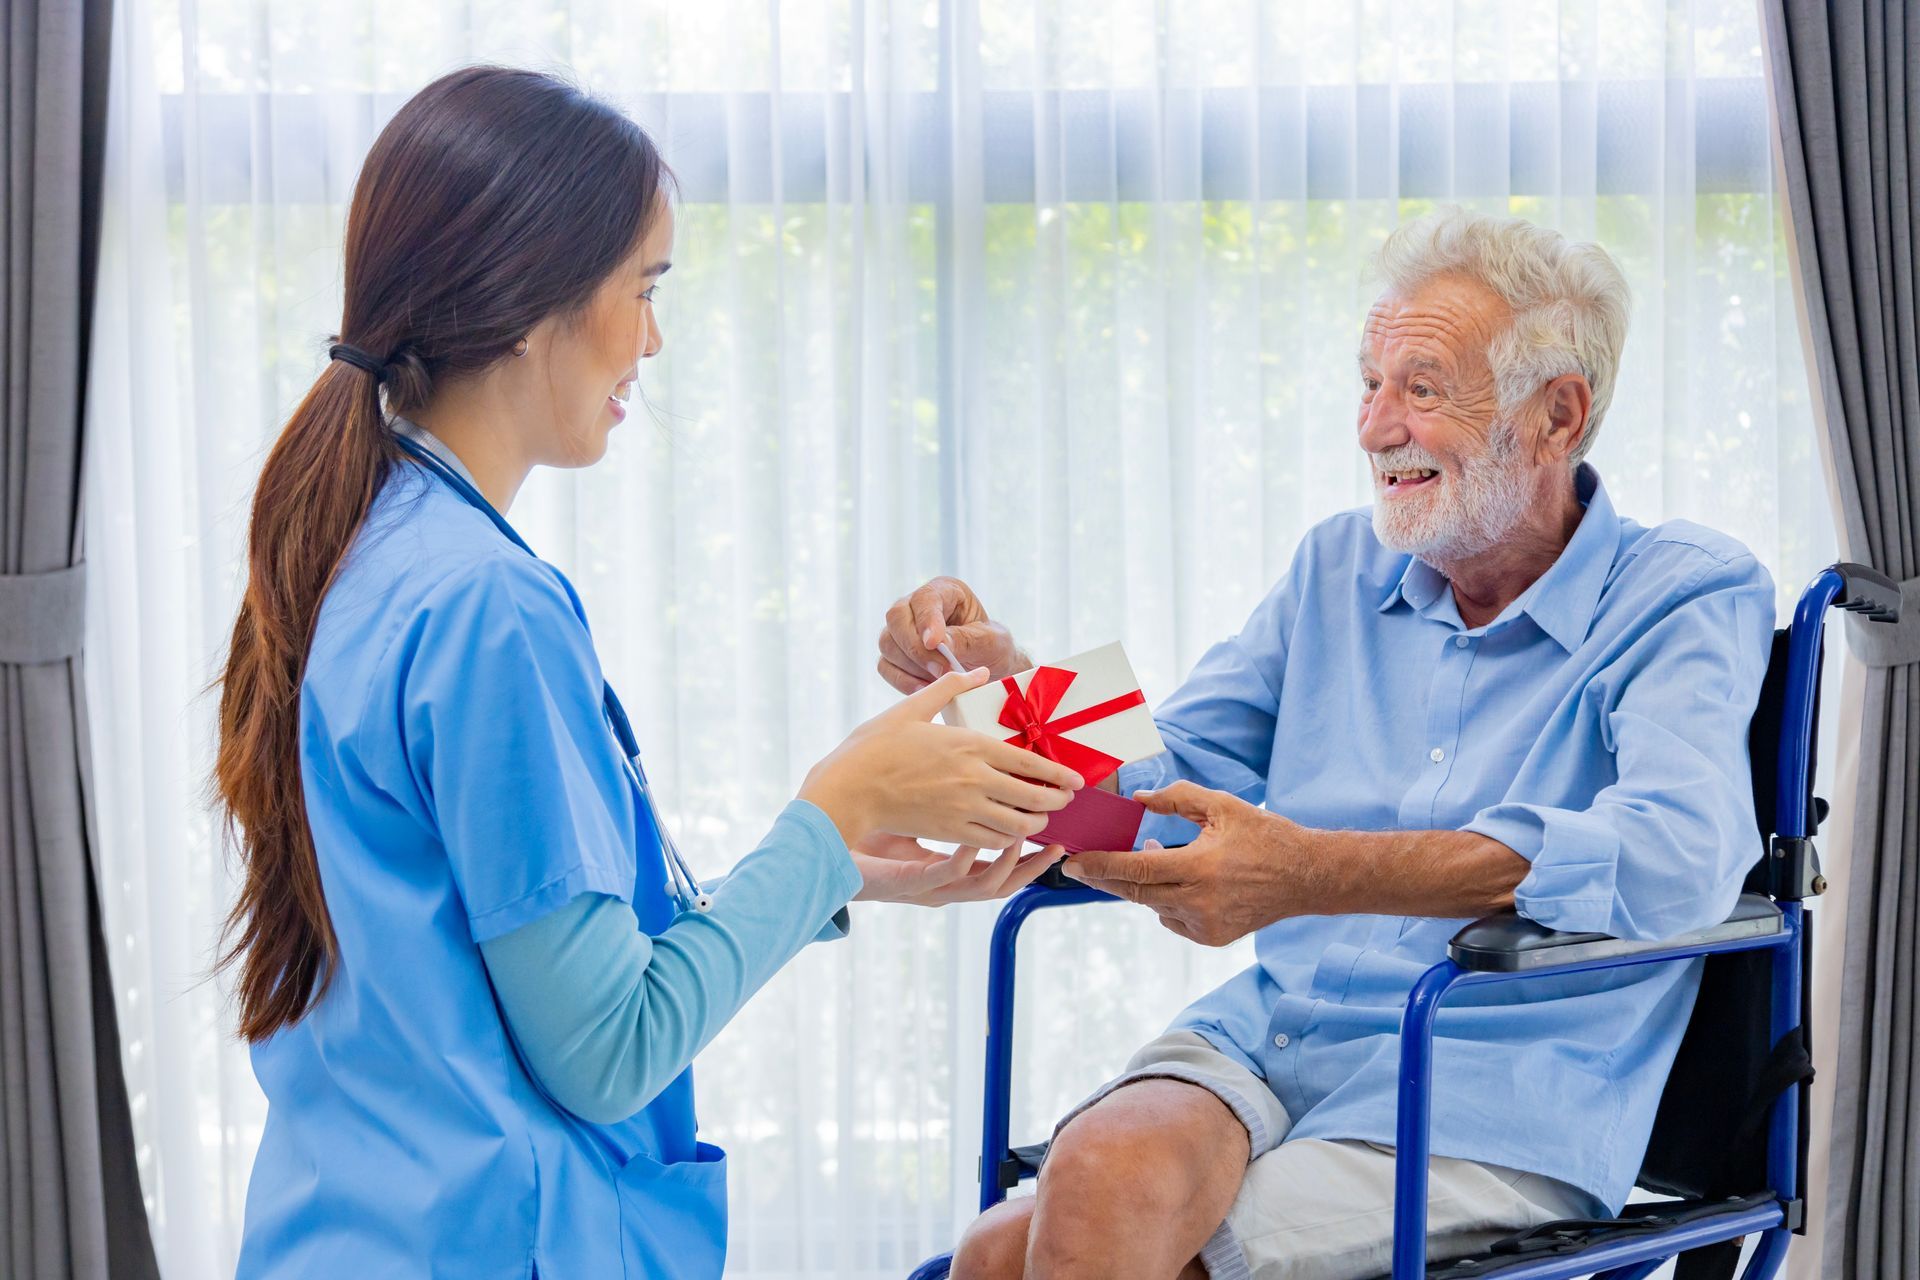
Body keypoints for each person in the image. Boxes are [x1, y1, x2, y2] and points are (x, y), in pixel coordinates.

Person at [212, 65, 1083, 1279]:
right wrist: (834, 810)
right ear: (526, 302)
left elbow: (497, 957)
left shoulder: (371, 545)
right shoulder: (487, 605)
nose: (655, 338)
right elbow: (609, 1047)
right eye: (645, 287)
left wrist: (839, 869)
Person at [878, 209, 1775, 1280]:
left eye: (1422, 387)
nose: (1372, 425)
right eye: (1370, 381)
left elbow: (1679, 850)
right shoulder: (1336, 569)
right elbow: (1159, 777)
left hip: (1492, 1094)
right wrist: (996, 680)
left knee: (1091, 1252)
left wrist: (1312, 869)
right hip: (1284, 1032)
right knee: (1019, 1233)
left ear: (1558, 415)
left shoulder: (1688, 592)